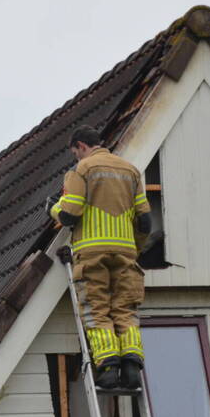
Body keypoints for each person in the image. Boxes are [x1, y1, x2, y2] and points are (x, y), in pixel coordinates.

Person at [49, 125, 151, 389]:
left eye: (75, 152)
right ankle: (131, 367)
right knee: (125, 310)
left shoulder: (81, 170)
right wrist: (133, 250)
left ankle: (107, 367)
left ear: (81, 146)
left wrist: (53, 209)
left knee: (96, 310)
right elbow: (145, 222)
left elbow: (70, 213)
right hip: (126, 254)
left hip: (92, 254)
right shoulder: (131, 171)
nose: (77, 157)